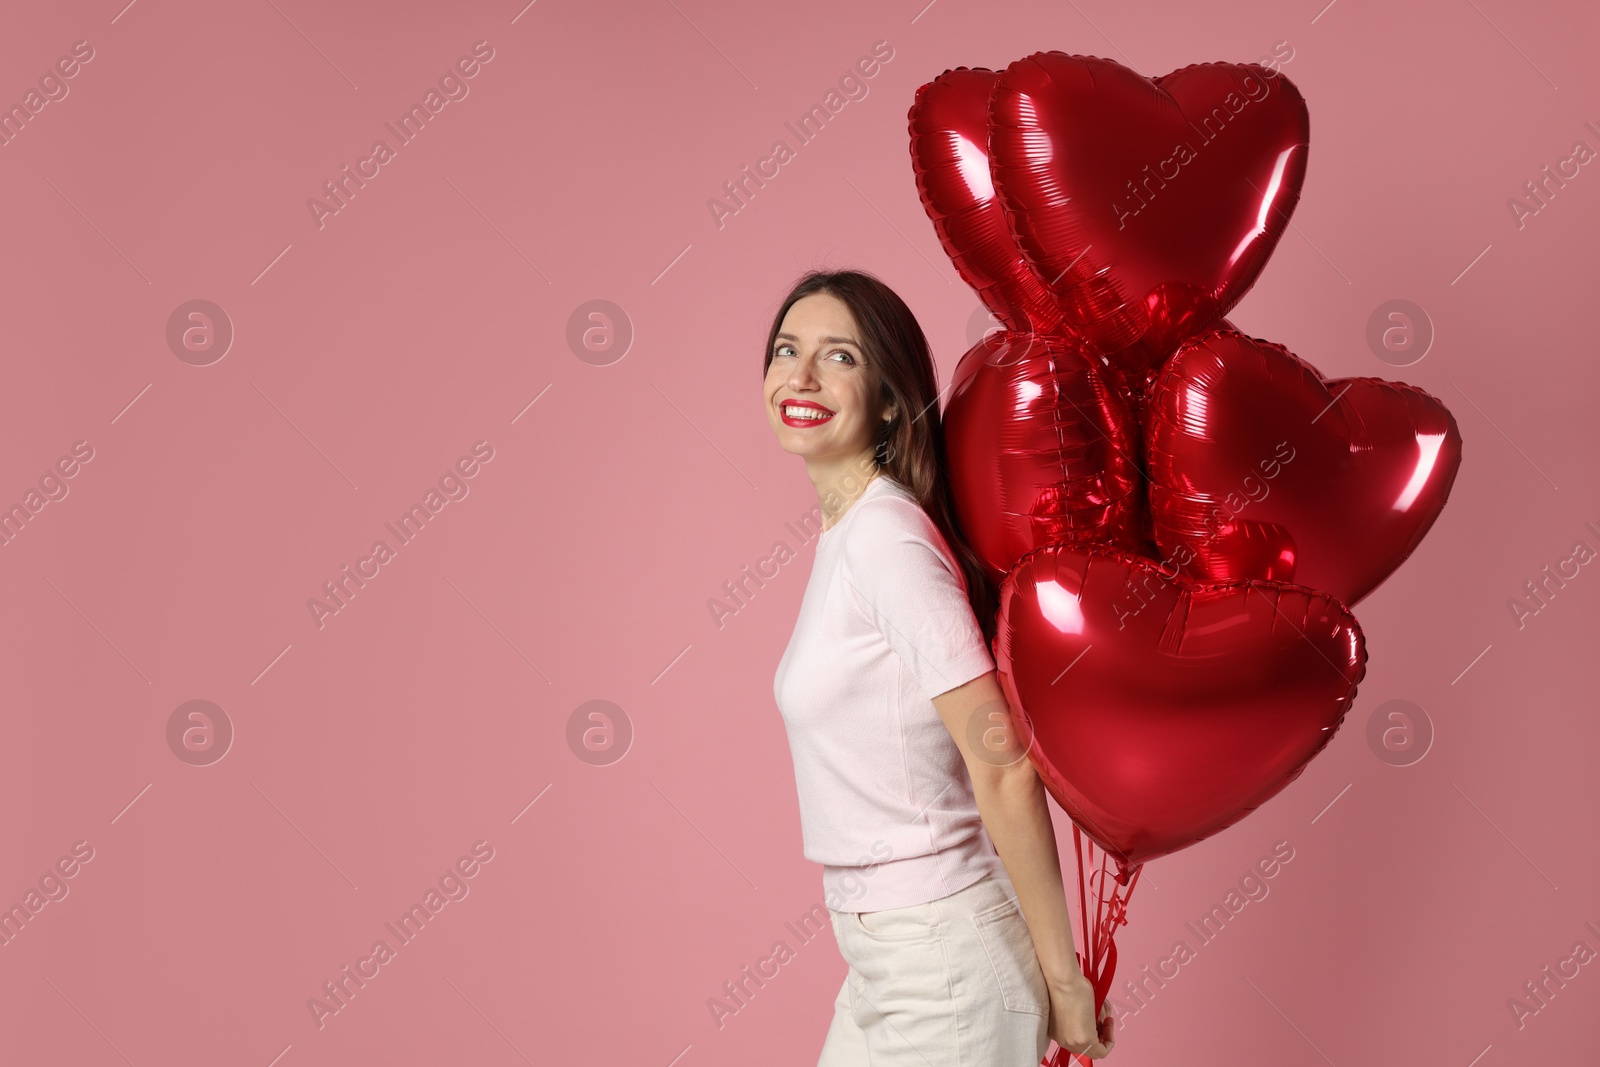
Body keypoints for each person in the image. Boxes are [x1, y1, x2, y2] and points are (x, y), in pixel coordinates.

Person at [767, 268, 1115, 1065]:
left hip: (942, 960)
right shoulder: (852, 536)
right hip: (886, 951)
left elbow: (1003, 764)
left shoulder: (887, 538)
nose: (803, 375)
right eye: (787, 350)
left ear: (891, 397)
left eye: (840, 357)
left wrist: (1064, 984)